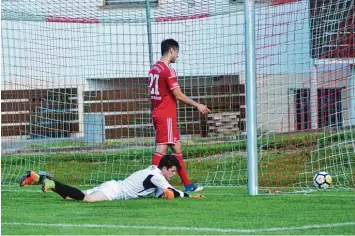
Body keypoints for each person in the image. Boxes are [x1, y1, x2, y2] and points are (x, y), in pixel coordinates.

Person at [148, 39, 211, 192]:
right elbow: (178, 95)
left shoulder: (153, 69)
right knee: (162, 149)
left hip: (159, 113)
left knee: (177, 148)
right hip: (166, 116)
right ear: (171, 50)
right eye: (177, 52)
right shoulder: (167, 70)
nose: (177, 56)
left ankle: (188, 185)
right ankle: (149, 183)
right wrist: (198, 105)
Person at [19, 154, 203, 202]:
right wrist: (190, 196)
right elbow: (172, 192)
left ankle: (40, 178)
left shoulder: (154, 170)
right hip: (115, 191)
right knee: (87, 199)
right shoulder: (158, 176)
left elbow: (160, 192)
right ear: (164, 168)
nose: (172, 175)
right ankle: (49, 182)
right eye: (171, 171)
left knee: (71, 196)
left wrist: (165, 193)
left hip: (114, 185)